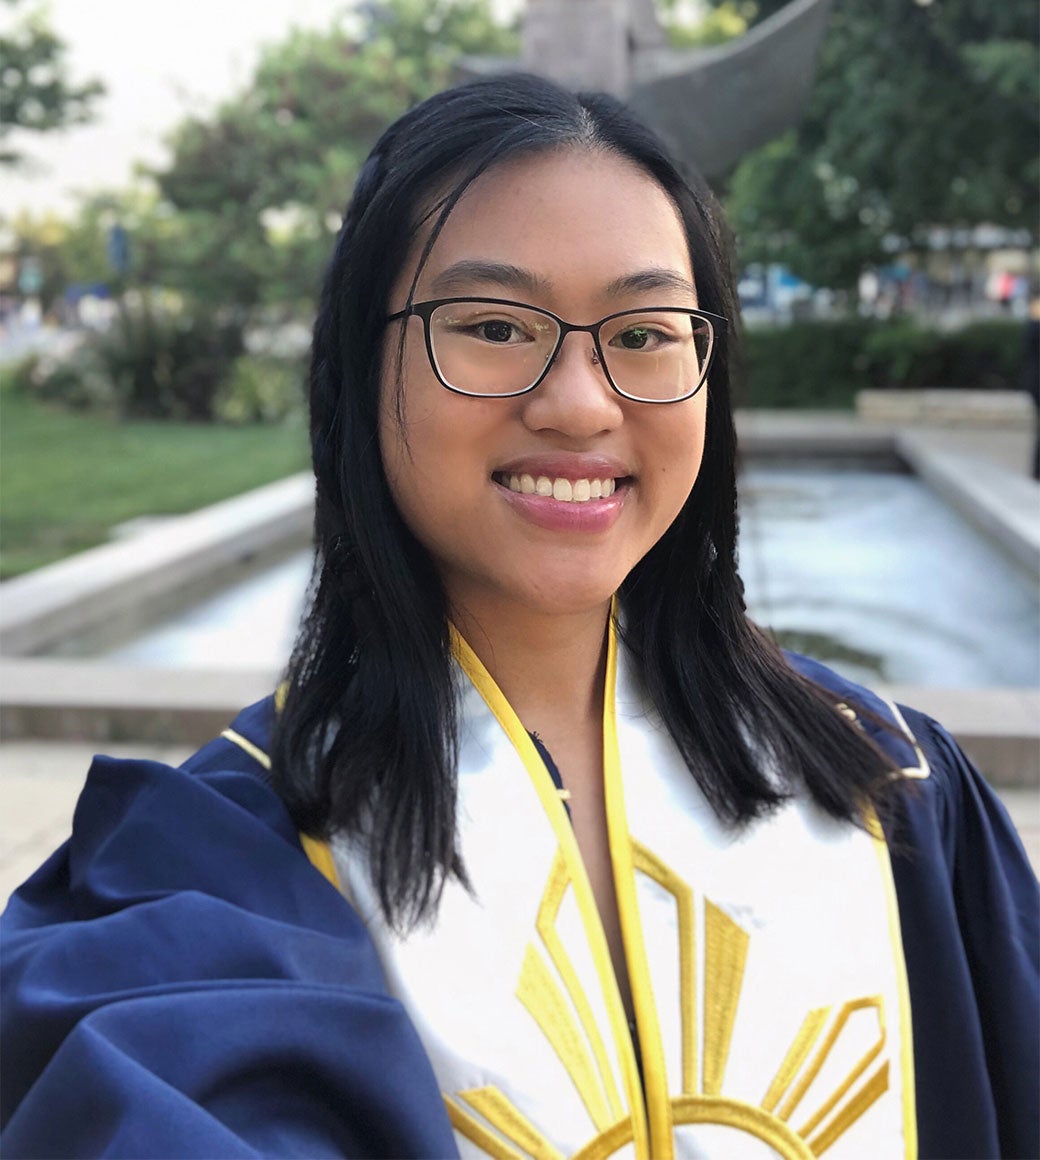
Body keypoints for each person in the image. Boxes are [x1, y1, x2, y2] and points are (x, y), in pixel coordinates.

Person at [2, 74, 1037, 1160]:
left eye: (643, 333)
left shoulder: (893, 792)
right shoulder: (208, 875)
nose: (581, 402)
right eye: (493, 324)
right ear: (362, 364)